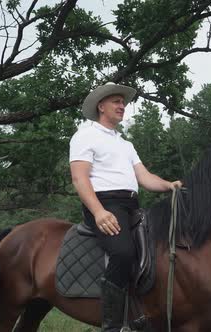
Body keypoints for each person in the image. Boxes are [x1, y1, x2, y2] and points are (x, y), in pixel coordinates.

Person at [69, 82, 182, 331]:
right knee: (123, 253)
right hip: (103, 204)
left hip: (132, 205)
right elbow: (79, 178)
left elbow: (144, 177)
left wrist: (169, 185)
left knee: (156, 248)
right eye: (117, 102)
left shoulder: (125, 144)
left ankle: (146, 310)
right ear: (101, 106)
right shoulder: (85, 135)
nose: (122, 106)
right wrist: (98, 211)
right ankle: (112, 326)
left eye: (123, 102)